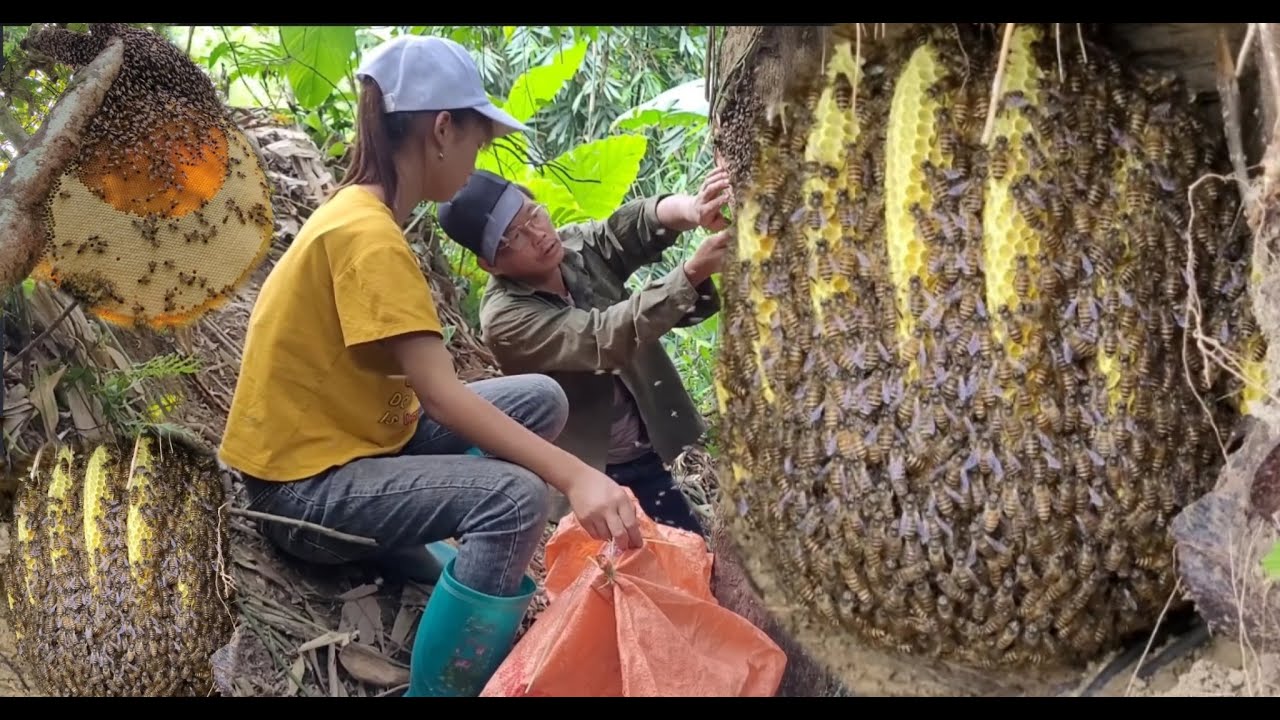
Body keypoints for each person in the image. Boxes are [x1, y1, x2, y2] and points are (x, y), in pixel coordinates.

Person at [216, 34, 645, 695]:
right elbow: (442, 397)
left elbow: (429, 392)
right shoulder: (369, 238)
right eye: (478, 140)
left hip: (358, 444)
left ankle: (418, 535)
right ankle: (443, 686)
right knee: (517, 497)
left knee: (539, 398)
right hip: (301, 492)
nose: (477, 160)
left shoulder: (362, 213)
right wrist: (578, 478)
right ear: (441, 130)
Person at [435, 163, 733, 539]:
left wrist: (692, 209)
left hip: (646, 444)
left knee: (692, 553)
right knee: (632, 575)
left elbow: (629, 227)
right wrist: (691, 274)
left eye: (533, 215)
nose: (538, 234)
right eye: (514, 237)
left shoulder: (571, 247)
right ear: (490, 264)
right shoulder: (507, 319)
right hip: (594, 471)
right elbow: (602, 338)